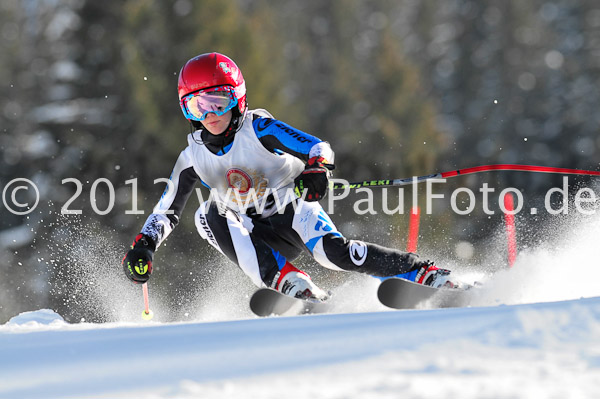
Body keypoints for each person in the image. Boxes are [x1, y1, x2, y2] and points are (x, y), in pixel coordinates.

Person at [122, 52, 453, 301]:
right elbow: (166, 210)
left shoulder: (259, 128)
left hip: (292, 210)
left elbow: (316, 146)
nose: (210, 115)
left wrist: (316, 168)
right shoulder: (192, 156)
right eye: (197, 107)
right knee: (207, 214)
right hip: (250, 231)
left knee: (335, 255)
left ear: (237, 98)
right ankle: (290, 282)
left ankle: (423, 273)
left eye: (218, 102)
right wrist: (145, 246)